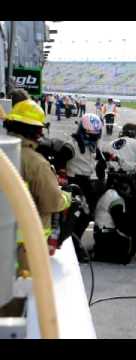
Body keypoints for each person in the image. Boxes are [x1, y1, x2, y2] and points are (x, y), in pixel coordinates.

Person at [3, 89, 71, 271]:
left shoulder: (5, 151)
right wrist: (67, 197)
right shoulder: (36, 163)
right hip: (25, 248)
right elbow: (52, 201)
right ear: (36, 130)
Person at [53, 113, 105, 260]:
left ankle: (75, 242)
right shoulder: (72, 144)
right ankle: (71, 245)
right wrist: (62, 173)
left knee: (89, 214)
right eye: (90, 134)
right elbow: (60, 158)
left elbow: (99, 157)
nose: (93, 137)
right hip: (73, 181)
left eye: (96, 135)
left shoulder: (94, 144)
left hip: (87, 181)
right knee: (75, 214)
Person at [93, 172, 135, 264]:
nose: (130, 192)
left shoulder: (109, 193)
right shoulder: (116, 200)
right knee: (126, 251)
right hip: (106, 236)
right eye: (128, 189)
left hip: (99, 234)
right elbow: (121, 225)